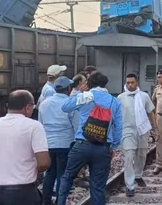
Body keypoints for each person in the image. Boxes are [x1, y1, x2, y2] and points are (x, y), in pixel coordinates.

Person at [0, 90, 50, 205]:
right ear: (27, 107)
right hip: (24, 191)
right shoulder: (34, 126)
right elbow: (44, 163)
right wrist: (35, 171)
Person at [57, 71, 122, 205]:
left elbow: (65, 107)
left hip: (82, 144)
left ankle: (60, 202)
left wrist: (77, 92)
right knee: (98, 187)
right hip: (103, 147)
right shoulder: (114, 101)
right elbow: (118, 127)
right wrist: (114, 146)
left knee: (67, 177)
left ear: (89, 84)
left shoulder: (85, 96)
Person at [38, 76, 77, 205]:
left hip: (48, 144)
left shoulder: (44, 104)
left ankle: (46, 201)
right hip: (65, 144)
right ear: (68, 89)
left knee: (50, 173)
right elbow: (76, 125)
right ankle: (60, 202)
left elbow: (40, 124)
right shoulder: (70, 103)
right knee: (62, 174)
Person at [117, 73, 155, 197]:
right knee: (128, 156)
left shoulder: (144, 96)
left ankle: (138, 175)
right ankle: (130, 185)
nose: (130, 85)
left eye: (132, 82)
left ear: (137, 83)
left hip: (142, 129)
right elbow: (117, 116)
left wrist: (155, 128)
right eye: (128, 83)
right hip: (127, 130)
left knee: (141, 154)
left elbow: (150, 112)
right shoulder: (121, 97)